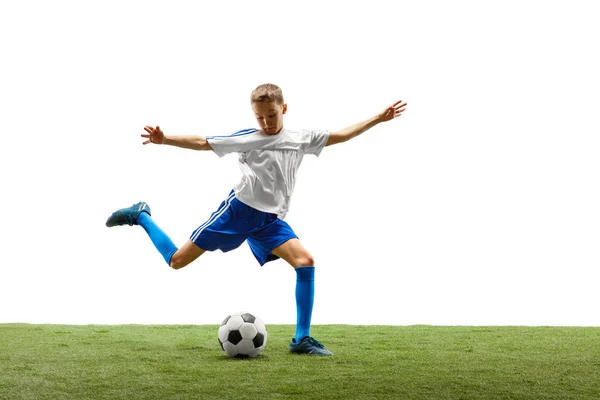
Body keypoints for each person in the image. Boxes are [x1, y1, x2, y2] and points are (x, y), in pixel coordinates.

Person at [106, 83, 407, 356]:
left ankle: (302, 339)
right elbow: (203, 142)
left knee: (305, 261)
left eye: (271, 116)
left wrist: (378, 118)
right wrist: (165, 139)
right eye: (259, 117)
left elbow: (342, 135)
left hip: (270, 220)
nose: (265, 123)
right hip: (238, 213)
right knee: (176, 261)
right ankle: (142, 215)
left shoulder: (302, 139)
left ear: (284, 108)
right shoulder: (249, 138)